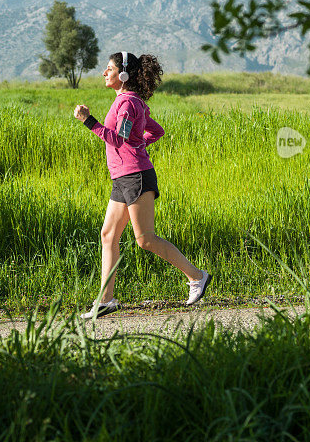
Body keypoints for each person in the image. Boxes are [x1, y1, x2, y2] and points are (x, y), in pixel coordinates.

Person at [73, 51, 211, 318]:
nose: (104, 72)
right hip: (123, 177)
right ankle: (106, 300)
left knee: (144, 239)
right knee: (108, 236)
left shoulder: (127, 103)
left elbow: (119, 140)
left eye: (109, 68)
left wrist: (89, 121)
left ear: (122, 74)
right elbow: (153, 132)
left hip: (135, 175)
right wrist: (139, 145)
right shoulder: (130, 101)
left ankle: (197, 277)